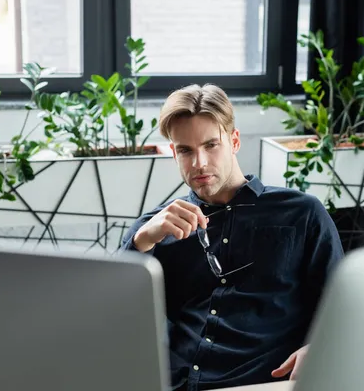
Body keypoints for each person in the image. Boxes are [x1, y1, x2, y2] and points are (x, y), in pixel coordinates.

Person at [120, 84, 344, 391]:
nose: (199, 163)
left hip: (265, 383)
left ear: (234, 141)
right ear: (174, 153)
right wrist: (142, 241)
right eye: (186, 150)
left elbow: (342, 305)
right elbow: (115, 311)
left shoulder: (302, 213)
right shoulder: (157, 228)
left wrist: (319, 349)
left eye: (211, 145)